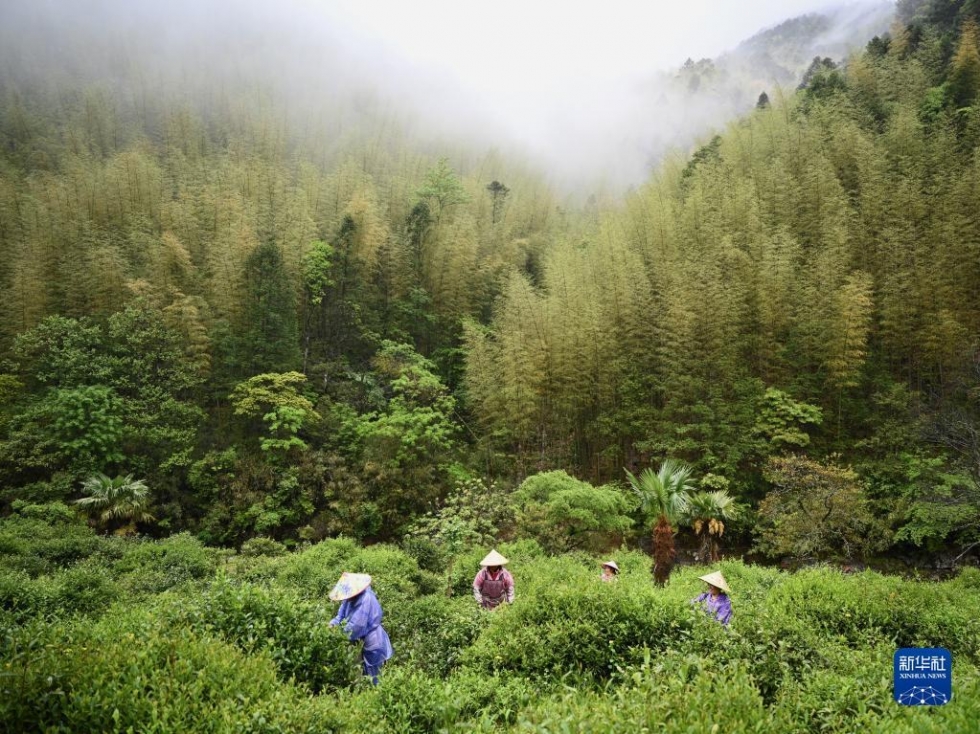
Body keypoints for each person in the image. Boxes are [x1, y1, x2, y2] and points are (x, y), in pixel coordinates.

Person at [329, 572, 393, 684]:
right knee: (359, 674)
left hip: (373, 641)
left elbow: (356, 626)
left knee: (374, 677)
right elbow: (340, 616)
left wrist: (338, 635)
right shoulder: (348, 599)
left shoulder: (366, 599)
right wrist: (332, 624)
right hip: (359, 640)